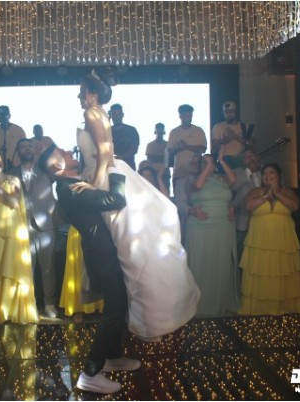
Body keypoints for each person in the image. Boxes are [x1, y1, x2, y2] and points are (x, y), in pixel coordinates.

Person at [75, 69, 200, 339]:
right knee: (128, 245)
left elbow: (104, 153)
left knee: (126, 248)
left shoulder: (91, 113)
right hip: (110, 172)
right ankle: (143, 313)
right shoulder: (102, 113)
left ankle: (144, 314)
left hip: (103, 176)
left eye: (81, 92)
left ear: (93, 94)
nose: (78, 96)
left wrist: (94, 186)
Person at [38, 144, 141, 394]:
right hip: (102, 255)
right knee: (114, 309)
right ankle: (90, 373)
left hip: (103, 252)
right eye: (62, 152)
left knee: (118, 305)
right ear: (58, 166)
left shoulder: (72, 185)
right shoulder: (70, 189)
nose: (68, 151)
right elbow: (116, 200)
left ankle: (113, 357)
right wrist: (114, 170)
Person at [0, 151, 38, 324]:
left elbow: (13, 203)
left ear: (3, 163)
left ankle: (15, 311)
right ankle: (0, 312)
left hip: (14, 232)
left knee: (13, 268)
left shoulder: (13, 180)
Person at [239, 163, 300, 315]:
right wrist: (266, 196)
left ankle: (283, 305)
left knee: (282, 270)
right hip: (260, 241)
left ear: (279, 176)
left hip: (282, 241)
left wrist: (277, 193)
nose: (267, 176)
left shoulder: (287, 191)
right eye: (265, 173)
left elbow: (295, 206)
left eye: (271, 173)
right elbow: (248, 206)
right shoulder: (256, 191)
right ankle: (260, 307)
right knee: (261, 271)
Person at [185, 153, 239, 317]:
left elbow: (233, 180)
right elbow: (198, 186)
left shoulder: (221, 179)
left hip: (222, 226)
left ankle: (219, 302)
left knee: (219, 263)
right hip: (201, 227)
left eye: (209, 161)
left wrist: (221, 161)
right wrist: (208, 166)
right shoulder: (192, 180)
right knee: (202, 263)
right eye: (204, 161)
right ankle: (200, 304)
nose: (207, 163)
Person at [12, 138, 58, 318]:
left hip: (45, 227)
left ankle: (49, 304)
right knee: (26, 270)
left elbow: (57, 158)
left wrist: (43, 148)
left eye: (29, 146)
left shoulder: (45, 172)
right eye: (23, 146)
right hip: (21, 228)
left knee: (48, 268)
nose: (27, 149)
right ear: (18, 151)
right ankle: (29, 304)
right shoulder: (10, 174)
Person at [165, 104, 207, 243]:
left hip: (196, 175)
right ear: (180, 116)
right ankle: (182, 240)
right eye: (186, 115)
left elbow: (203, 149)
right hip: (179, 174)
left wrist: (186, 146)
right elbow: (169, 152)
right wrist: (177, 148)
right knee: (181, 207)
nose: (188, 117)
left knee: (195, 202)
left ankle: (197, 235)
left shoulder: (198, 130)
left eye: (190, 115)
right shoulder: (174, 132)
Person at [232, 150, 262, 267]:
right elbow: (233, 186)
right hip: (243, 222)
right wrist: (249, 171)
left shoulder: (266, 173)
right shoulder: (238, 172)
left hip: (262, 222)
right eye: (246, 157)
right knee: (241, 257)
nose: (249, 159)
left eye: (251, 155)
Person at [211, 100, 255, 168]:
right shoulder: (218, 127)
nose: (228, 114)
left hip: (242, 163)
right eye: (226, 112)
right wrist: (223, 141)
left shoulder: (245, 127)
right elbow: (213, 150)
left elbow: (252, 145)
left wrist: (236, 136)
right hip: (224, 163)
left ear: (236, 112)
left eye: (230, 111)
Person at [0, 105, 26, 171]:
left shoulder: (19, 130)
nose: (2, 118)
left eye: (4, 116)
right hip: (0, 168)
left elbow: (24, 149)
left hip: (17, 168)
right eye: (0, 116)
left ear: (9, 116)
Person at [109, 104, 140, 170]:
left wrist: (122, 157)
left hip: (128, 166)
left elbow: (135, 149)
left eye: (118, 114)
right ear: (111, 116)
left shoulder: (131, 130)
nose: (116, 117)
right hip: (112, 166)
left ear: (122, 115)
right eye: (114, 114)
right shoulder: (107, 131)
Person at [144, 122, 170, 193]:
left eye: (161, 129)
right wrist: (162, 157)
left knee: (165, 194)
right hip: (153, 174)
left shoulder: (168, 144)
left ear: (164, 131)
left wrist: (156, 157)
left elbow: (168, 160)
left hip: (165, 174)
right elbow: (149, 159)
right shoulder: (150, 145)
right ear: (155, 131)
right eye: (158, 129)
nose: (159, 131)